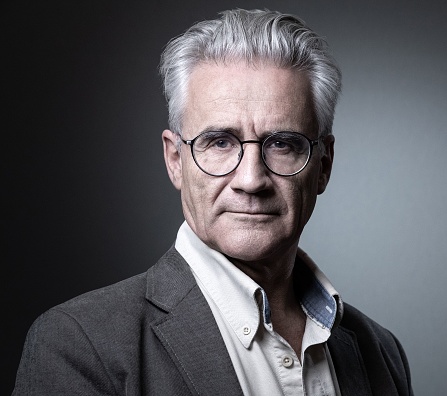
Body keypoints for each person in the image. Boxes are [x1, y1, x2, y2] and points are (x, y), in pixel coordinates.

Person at [13, 8, 413, 396]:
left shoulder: (380, 352)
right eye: (220, 143)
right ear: (176, 161)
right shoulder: (81, 345)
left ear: (323, 165)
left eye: (282, 144)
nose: (251, 180)